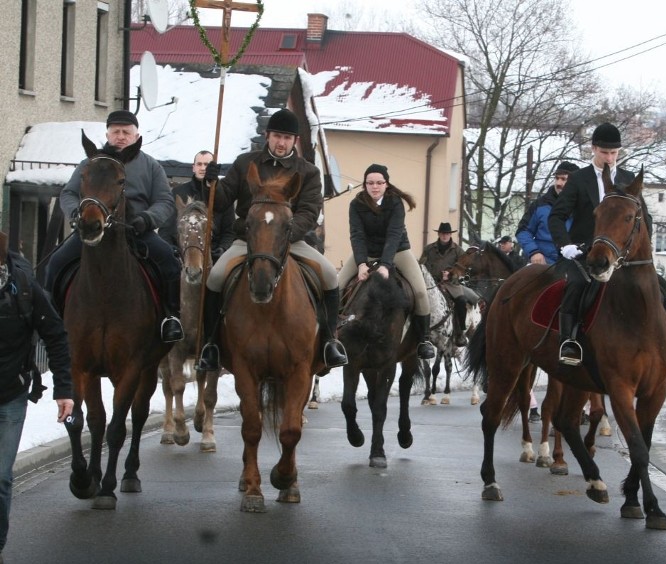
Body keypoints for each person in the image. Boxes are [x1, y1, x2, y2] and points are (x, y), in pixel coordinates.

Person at [195, 109, 347, 371]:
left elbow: (310, 212)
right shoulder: (245, 163)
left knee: (330, 276)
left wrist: (283, 234)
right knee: (216, 277)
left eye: (287, 138)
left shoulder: (308, 172)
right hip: (247, 240)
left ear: (295, 141)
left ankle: (328, 342)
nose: (281, 143)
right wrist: (210, 184)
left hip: (291, 240)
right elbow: (219, 202)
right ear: (267, 136)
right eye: (277, 136)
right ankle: (211, 345)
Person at [45, 110, 184, 343]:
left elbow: (164, 201)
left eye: (126, 132)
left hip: (136, 231)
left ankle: (170, 317)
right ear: (107, 134)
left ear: (136, 135)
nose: (121, 136)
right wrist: (76, 214)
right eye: (116, 131)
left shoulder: (151, 166)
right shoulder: (89, 164)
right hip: (94, 230)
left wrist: (147, 220)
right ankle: (51, 319)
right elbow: (68, 194)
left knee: (169, 262)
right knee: (56, 263)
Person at [0, 232, 74, 564]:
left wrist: (64, 389)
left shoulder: (25, 286)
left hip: (11, 395)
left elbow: (55, 334)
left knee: (0, 476)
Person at [547, 123, 639, 365]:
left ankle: (661, 339)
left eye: (614, 153)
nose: (609, 158)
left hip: (620, 254)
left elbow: (643, 220)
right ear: (594, 149)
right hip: (584, 252)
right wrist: (565, 246)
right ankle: (569, 341)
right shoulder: (579, 179)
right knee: (576, 285)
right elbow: (556, 216)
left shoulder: (630, 180)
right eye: (604, 153)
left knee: (656, 283)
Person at [338, 164, 434, 359]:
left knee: (421, 292)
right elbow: (357, 236)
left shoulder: (395, 203)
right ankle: (330, 336)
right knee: (336, 286)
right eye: (370, 183)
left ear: (386, 184)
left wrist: (385, 265)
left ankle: (423, 340)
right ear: (364, 185)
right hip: (368, 252)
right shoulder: (356, 205)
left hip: (398, 250)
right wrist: (361, 264)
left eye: (379, 183)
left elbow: (393, 235)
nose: (375, 187)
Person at [159, 150, 235, 265]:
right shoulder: (178, 193)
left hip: (214, 257)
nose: (203, 168)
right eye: (199, 164)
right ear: (193, 167)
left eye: (207, 165)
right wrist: (172, 249)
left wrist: (222, 249)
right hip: (182, 256)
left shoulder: (223, 194)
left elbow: (229, 231)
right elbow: (166, 229)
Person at [420, 223, 479, 347]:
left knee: (461, 301)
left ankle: (459, 332)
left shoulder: (458, 250)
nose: (445, 236)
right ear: (439, 234)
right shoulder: (429, 249)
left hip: (451, 284)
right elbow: (421, 265)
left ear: (450, 235)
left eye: (447, 233)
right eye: (442, 233)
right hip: (432, 283)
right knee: (418, 299)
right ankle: (418, 332)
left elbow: (464, 269)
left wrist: (452, 274)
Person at [515, 161, 579, 265]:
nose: (558, 183)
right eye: (557, 178)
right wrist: (534, 252)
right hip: (543, 264)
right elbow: (523, 231)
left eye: (563, 179)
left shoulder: (584, 207)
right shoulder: (540, 205)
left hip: (574, 265)